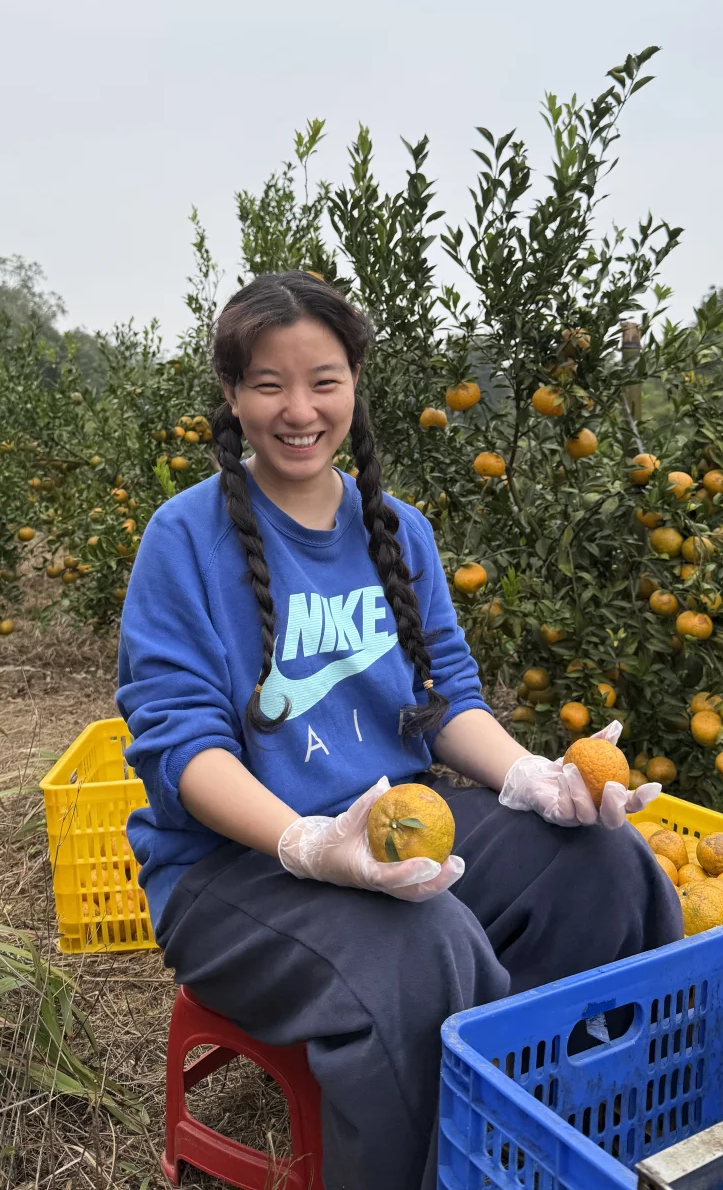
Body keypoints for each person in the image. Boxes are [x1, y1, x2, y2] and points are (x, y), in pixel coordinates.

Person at [117, 271, 683, 1190]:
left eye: (324, 380)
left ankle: (563, 1146)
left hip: (402, 816)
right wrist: (305, 842)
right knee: (421, 953)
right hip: (234, 870)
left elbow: (447, 696)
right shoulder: (183, 540)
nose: (299, 409)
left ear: (354, 384)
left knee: (603, 871)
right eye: (268, 384)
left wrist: (532, 778)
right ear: (230, 395)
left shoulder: (398, 532)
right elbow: (182, 747)